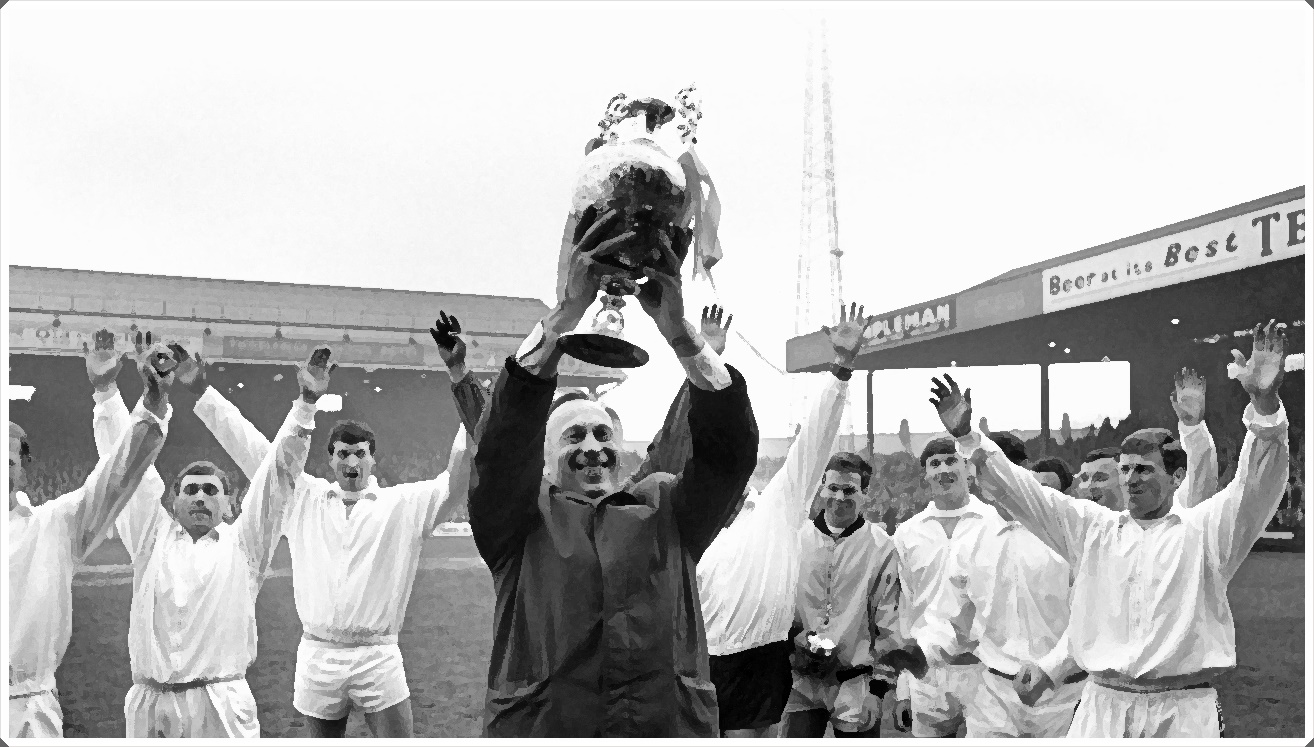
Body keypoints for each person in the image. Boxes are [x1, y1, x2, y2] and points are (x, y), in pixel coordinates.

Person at [467, 208, 758, 737]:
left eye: (603, 434)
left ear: (621, 451)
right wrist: (566, 314)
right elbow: (502, 447)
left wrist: (681, 335)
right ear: (545, 459)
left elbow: (728, 457)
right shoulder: (517, 521)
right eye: (573, 436)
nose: (592, 447)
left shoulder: (667, 509)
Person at [935, 320, 1290, 738]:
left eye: (1144, 469)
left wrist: (1265, 405)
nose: (1131, 479)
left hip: (1182, 711)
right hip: (1102, 706)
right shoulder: (1093, 530)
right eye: (1125, 470)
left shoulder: (1205, 531)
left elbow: (1257, 487)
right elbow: (1024, 493)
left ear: (1176, 477)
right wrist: (968, 438)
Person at [189, 313, 482, 738]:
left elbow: (457, 479)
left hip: (378, 655)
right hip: (318, 653)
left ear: (373, 458)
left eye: (360, 453)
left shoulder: (403, 505)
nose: (352, 460)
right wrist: (201, 390)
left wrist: (462, 383)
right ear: (330, 459)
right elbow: (250, 449)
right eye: (343, 453)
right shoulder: (302, 497)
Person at [636, 303, 869, 737]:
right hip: (696, 664)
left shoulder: (776, 508)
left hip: (761, 664)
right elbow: (676, 437)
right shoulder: (681, 519)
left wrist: (841, 368)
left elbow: (814, 442)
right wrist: (703, 360)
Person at [89, 338, 330, 738]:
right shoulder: (150, 537)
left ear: (231, 503)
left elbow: (278, 474)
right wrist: (107, 393)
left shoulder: (246, 545)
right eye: (190, 490)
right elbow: (123, 468)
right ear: (173, 501)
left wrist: (305, 405)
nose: (200, 496)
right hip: (151, 705)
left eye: (210, 490)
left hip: (221, 706)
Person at [8, 338, 174, 739]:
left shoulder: (52, 526)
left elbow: (116, 477)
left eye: (7, 461)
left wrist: (123, 397)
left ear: (24, 469)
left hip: (25, 710)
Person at [782, 447, 900, 739]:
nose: (839, 497)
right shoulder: (796, 540)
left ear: (864, 493)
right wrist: (794, 638)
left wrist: (879, 690)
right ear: (822, 487)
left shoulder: (880, 547)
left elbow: (889, 620)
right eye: (832, 488)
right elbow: (777, 605)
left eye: (849, 490)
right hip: (801, 680)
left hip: (855, 682)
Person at [887, 434, 998, 737]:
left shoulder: (994, 524)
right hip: (928, 674)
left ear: (967, 467)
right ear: (925, 474)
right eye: (934, 464)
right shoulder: (907, 534)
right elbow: (905, 612)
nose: (943, 470)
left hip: (986, 671)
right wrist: (904, 687)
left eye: (951, 461)